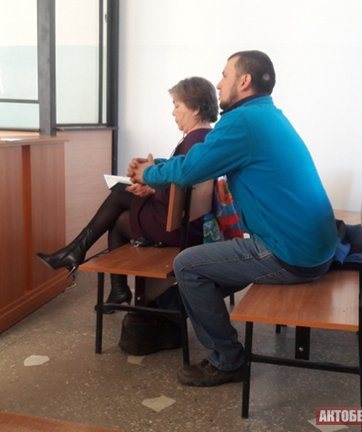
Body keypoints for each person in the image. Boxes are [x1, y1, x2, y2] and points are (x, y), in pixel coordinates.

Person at [127, 50, 338, 387]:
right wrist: (157, 169)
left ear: (244, 81)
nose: (218, 83)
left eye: (224, 75)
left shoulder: (242, 122)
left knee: (187, 266)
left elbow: (191, 170)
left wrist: (150, 172)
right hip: (312, 247)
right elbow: (201, 161)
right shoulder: (265, 115)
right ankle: (175, 315)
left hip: (289, 254)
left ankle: (228, 360)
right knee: (199, 276)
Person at [37, 76, 219, 306]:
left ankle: (78, 253)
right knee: (120, 215)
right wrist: (151, 187)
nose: (173, 112)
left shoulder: (195, 141)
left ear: (195, 108)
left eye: (177, 105)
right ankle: (112, 284)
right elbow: (182, 188)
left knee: (120, 197)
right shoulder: (206, 138)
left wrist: (150, 188)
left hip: (180, 229)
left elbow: (180, 195)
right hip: (192, 225)